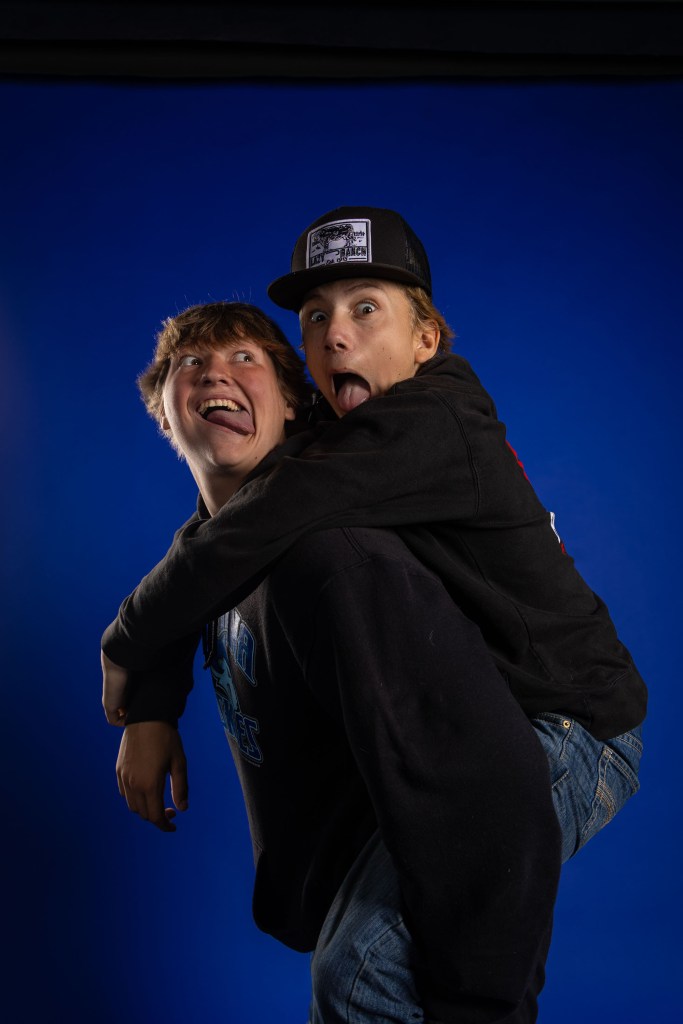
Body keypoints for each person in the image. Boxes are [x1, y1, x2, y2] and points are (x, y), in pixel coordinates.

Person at [103, 207, 647, 1020]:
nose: (334, 334)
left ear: (426, 340)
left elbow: (248, 523)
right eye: (314, 316)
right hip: (476, 725)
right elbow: (219, 534)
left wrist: (124, 651)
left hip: (564, 723)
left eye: (365, 309)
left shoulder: (433, 420)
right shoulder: (329, 456)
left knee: (368, 975)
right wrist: (150, 703)